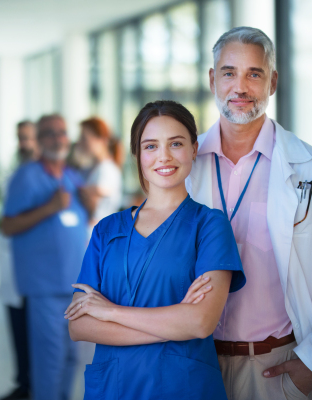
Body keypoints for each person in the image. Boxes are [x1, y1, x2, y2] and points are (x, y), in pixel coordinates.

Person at [184, 27, 312, 400]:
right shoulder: (183, 164)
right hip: (194, 364)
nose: (240, 87)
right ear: (212, 79)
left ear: (273, 82)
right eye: (229, 72)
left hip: (275, 370)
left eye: (254, 73)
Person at [66, 100, 246, 400]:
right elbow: (80, 325)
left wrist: (109, 312)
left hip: (181, 388)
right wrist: (177, 322)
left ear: (193, 148)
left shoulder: (210, 226)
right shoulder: (106, 231)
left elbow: (201, 322)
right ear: (137, 154)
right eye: (151, 146)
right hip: (114, 387)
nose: (164, 156)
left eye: (175, 143)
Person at [0, 114, 88, 400]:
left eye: (62, 132)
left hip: (75, 288)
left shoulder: (71, 175)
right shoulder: (26, 176)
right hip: (45, 288)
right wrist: (48, 208)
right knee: (49, 364)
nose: (57, 138)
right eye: (49, 133)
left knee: (71, 360)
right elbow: (7, 225)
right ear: (38, 141)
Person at [0, 120, 40, 400]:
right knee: (16, 323)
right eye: (19, 138)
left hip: (36, 267)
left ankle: (39, 385)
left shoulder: (44, 175)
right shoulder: (14, 172)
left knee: (37, 330)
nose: (22, 143)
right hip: (12, 261)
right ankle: (23, 382)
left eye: (27, 138)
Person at [78, 117, 123, 227]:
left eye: (84, 138)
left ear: (100, 139)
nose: (80, 142)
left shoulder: (107, 170)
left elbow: (93, 209)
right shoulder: (89, 168)